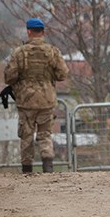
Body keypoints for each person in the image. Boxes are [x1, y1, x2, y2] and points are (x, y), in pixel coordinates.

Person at [4, 18, 69, 174]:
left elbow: (9, 77)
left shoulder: (19, 52)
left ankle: (27, 169)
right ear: (43, 32)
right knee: (45, 134)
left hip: (26, 101)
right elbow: (63, 74)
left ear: (28, 31)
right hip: (47, 100)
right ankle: (48, 166)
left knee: (26, 136)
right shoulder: (53, 51)